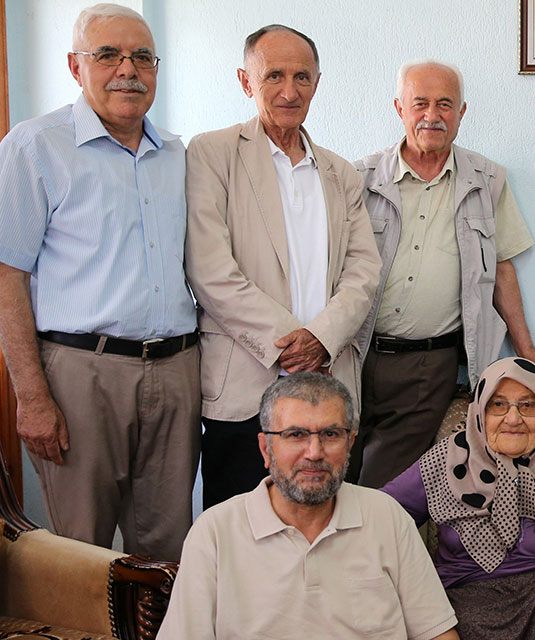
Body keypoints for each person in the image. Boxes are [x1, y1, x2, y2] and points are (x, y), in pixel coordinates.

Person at [0, 3, 198, 561]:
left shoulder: (178, 155)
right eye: (107, 55)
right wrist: (31, 396)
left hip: (178, 370)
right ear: (74, 65)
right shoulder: (34, 147)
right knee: (83, 553)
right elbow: (6, 277)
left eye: (141, 57)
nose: (126, 70)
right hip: (82, 375)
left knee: (167, 551)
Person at [185, 24, 380, 507]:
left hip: (328, 377)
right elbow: (210, 270)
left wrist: (321, 339)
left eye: (302, 77)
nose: (289, 91)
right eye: (273, 76)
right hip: (244, 384)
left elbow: (364, 271)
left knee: (325, 526)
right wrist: (290, 343)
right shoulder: (212, 154)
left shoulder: (341, 173)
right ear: (245, 81)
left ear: (318, 82)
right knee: (241, 531)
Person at [352, 59, 535, 489]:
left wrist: (527, 348)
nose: (432, 115)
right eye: (421, 104)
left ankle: (372, 553)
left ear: (462, 113)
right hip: (355, 355)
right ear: (400, 108)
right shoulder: (359, 178)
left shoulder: (486, 181)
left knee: (383, 490)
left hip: (427, 364)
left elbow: (502, 266)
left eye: (445, 104)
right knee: (334, 471)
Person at [157, 373, 458, 640]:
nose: (314, 453)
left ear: (350, 443)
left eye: (330, 434)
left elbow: (436, 632)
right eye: (296, 435)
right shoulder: (215, 532)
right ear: (266, 448)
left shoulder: (387, 517)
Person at [382, 357, 535, 639]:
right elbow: (382, 514)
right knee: (454, 622)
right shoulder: (449, 458)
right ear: (480, 411)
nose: (513, 419)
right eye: (498, 404)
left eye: (527, 405)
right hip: (469, 591)